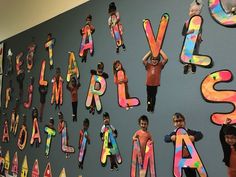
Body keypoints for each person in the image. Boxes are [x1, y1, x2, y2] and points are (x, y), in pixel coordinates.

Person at [164, 112, 203, 177]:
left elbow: (200, 134)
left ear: (184, 121)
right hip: (181, 159)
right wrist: (171, 138)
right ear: (174, 123)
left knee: (193, 173)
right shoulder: (174, 133)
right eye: (176, 121)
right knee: (178, 174)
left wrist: (194, 137)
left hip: (192, 158)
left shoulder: (189, 132)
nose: (179, 123)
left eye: (180, 121)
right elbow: (165, 138)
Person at [182, 0, 203, 74]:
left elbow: (200, 31)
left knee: (194, 53)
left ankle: (193, 66)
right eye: (192, 11)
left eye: (196, 11)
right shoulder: (187, 23)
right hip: (188, 41)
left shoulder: (199, 22)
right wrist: (188, 32)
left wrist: (200, 36)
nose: (194, 12)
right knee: (187, 53)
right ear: (189, 12)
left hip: (196, 41)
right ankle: (186, 65)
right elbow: (183, 33)